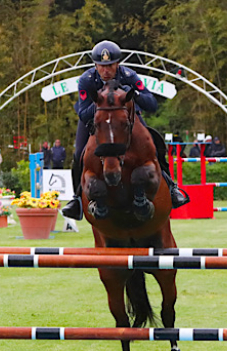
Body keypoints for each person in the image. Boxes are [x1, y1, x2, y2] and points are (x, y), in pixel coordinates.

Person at [62, 40, 189, 220]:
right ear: (95, 65)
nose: (106, 70)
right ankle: (75, 200)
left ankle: (172, 187)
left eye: (110, 66)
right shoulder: (87, 80)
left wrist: (133, 93)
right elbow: (83, 114)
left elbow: (151, 104)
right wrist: (102, 101)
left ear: (118, 64)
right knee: (78, 155)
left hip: (127, 119)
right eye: (101, 66)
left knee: (154, 143)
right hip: (96, 122)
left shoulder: (129, 75)